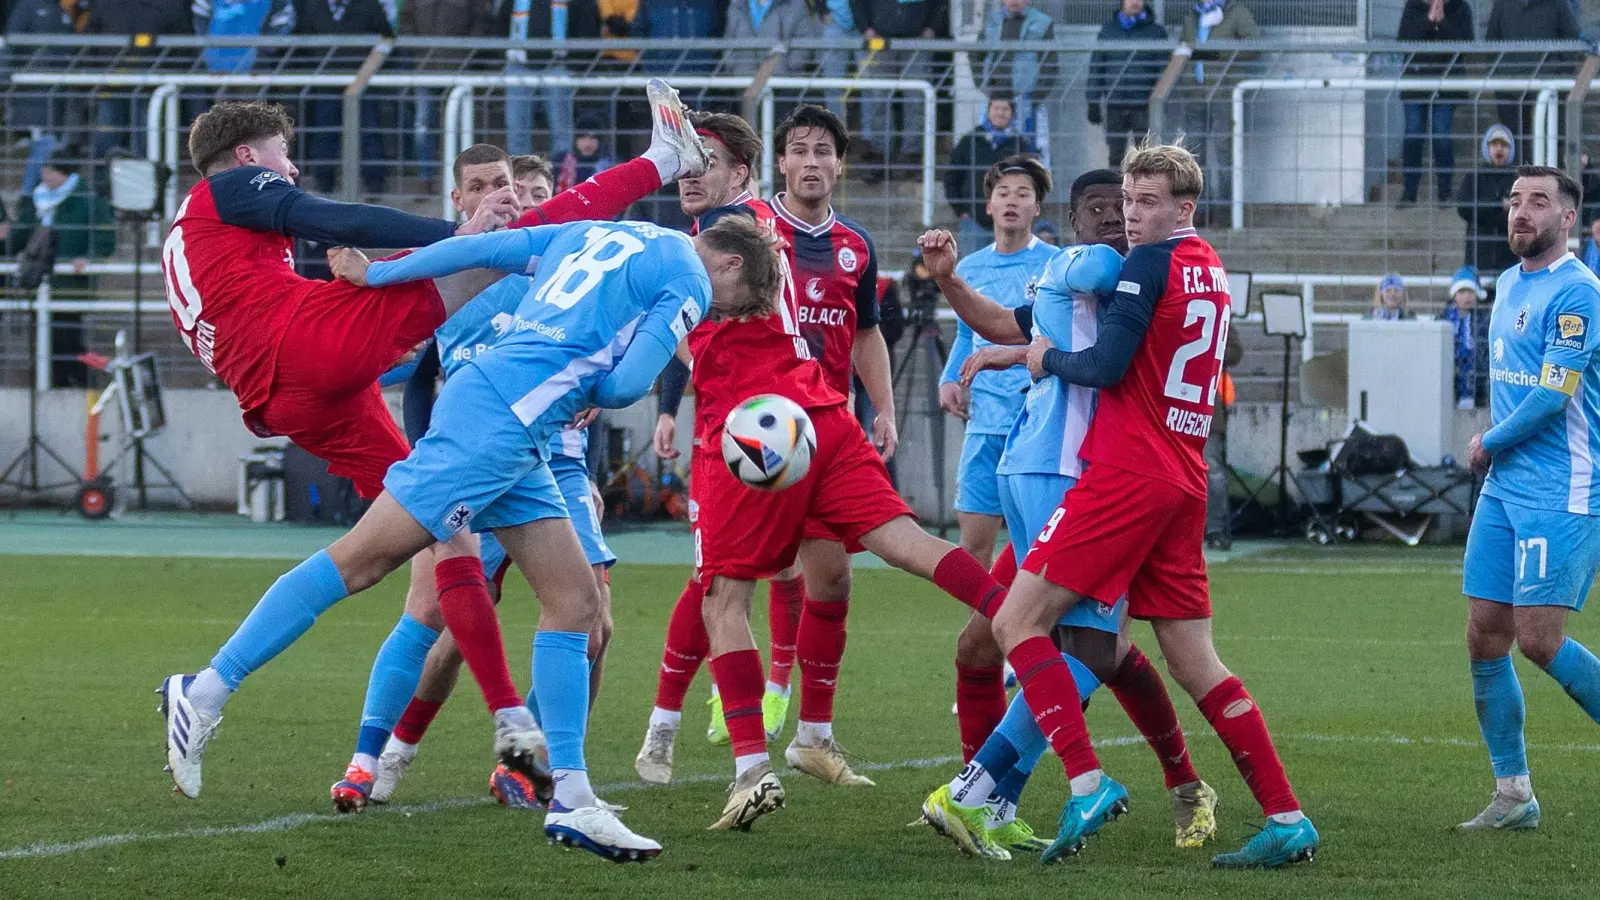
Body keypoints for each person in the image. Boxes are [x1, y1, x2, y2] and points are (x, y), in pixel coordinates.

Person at [160, 210, 764, 861]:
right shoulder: (690, 278)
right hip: (504, 421)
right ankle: (203, 690)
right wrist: (598, 361)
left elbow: (487, 247)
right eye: (733, 306)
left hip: (501, 405)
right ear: (728, 264)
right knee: (362, 561)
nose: (720, 317)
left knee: (575, 601)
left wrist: (381, 272)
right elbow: (621, 387)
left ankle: (572, 797)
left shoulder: (598, 230)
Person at [154, 85, 705, 799]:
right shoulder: (232, 188)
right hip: (305, 350)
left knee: (446, 547)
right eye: (282, 158)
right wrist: (457, 236)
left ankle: (508, 726)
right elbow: (325, 217)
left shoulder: (199, 235)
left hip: (290, 390)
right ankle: (661, 160)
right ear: (243, 157)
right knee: (514, 244)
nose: (289, 170)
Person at [918, 140, 1319, 868]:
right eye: (1125, 202)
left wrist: (1043, 360)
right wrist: (1022, 344)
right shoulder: (1211, 267)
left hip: (1127, 474)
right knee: (1194, 660)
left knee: (1016, 621)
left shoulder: (1145, 263)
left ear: (1184, 207)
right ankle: (1285, 816)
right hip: (1184, 476)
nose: (1132, 217)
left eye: (1146, 203)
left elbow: (1102, 367)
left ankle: (1079, 781)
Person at [321, 146, 616, 813]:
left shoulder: (553, 264)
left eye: (508, 186)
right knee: (435, 618)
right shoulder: (449, 270)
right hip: (470, 462)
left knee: (594, 618)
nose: (502, 197)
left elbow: (606, 346)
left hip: (553, 462)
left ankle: (533, 763)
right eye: (480, 186)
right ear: (459, 200)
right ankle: (377, 757)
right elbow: (394, 362)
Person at [641, 106, 896, 786]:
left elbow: (866, 331)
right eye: (799, 149)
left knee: (828, 578)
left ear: (839, 165)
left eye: (823, 151)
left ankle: (811, 735)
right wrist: (669, 408)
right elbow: (681, 326)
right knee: (723, 584)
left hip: (815, 426)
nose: (811, 161)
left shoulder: (851, 246)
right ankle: (666, 726)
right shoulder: (737, 233)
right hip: (743, 434)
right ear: (778, 165)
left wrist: (884, 408)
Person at [639, 111, 810, 774]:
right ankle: (788, 712)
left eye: (703, 159)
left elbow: (684, 331)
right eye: (683, 159)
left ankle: (706, 732)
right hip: (787, 414)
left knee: (721, 585)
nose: (688, 172)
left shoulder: (725, 235)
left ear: (741, 173)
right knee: (797, 570)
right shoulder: (737, 231)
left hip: (747, 426)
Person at [1461, 165, 1600, 832]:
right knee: (1485, 634)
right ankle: (1514, 795)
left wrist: (1488, 440)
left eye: (1538, 202)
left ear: (1567, 218)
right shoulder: (1509, 282)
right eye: (1515, 200)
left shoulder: (1580, 293)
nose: (1521, 212)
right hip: (1506, 490)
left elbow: (1552, 394)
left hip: (1561, 488)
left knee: (1540, 641)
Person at [937, 156, 1058, 573]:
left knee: (1039, 550)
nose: (1012, 202)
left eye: (1023, 194)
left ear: (1036, 207)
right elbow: (967, 336)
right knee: (972, 549)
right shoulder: (967, 268)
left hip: (1037, 425)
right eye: (1003, 193)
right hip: (985, 424)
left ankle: (1033, 632)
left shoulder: (1055, 266)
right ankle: (986, 634)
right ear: (988, 205)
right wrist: (950, 379)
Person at [9, 149, 117, 388]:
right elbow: (18, 236)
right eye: (44, 167)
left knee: (67, 335)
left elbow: (105, 239)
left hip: (70, 285)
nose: (44, 172)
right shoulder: (34, 200)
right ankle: (59, 380)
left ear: (65, 173)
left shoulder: (87, 199)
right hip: (38, 282)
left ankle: (80, 379)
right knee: (44, 336)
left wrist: (88, 258)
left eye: (51, 168)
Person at [291, 0, 393, 196]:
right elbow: (302, 39)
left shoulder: (369, 5)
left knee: (369, 131)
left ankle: (374, 183)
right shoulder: (313, 6)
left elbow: (386, 36)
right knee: (325, 132)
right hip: (325, 81)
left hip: (363, 81)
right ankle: (324, 182)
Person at [1174, 0, 1261, 224]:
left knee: (1224, 152)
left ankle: (1225, 211)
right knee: (1193, 155)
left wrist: (1214, 53)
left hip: (1223, 94)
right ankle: (1199, 211)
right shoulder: (1192, 16)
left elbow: (1254, 46)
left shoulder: (1237, 12)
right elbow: (1183, 49)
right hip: (1194, 93)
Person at [1396, 0, 1474, 206]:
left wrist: (1443, 23)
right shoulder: (1413, 7)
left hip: (1446, 84)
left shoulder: (1460, 7)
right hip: (1416, 82)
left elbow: (1467, 43)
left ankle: (1445, 192)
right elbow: (1403, 40)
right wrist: (1428, 20)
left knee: (1441, 136)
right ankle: (1409, 191)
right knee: (1413, 134)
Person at [1484, 0, 1580, 163]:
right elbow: (1492, 41)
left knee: (1551, 141)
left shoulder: (1559, 4)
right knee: (1516, 144)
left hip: (1548, 85)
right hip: (1510, 87)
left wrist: (1559, 72)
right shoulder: (1502, 4)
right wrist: (1501, 72)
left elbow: (1572, 40)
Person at [852, 0, 940, 173]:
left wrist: (934, 27)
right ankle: (881, 155)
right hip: (880, 40)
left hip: (918, 40)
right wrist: (865, 27)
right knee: (879, 100)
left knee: (916, 100)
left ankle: (912, 156)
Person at [945, 96, 1033, 259]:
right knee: (972, 268)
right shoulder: (970, 141)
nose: (1000, 113)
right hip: (973, 219)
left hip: (1009, 219)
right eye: (996, 108)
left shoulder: (1019, 144)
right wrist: (961, 209)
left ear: (1012, 114)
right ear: (987, 112)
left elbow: (1031, 180)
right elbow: (952, 176)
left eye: (1005, 109)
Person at [1088, 0, 1168, 166]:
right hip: (1114, 103)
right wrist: (1092, 101)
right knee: (1116, 156)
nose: (1135, 2)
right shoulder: (1108, 31)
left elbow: (1163, 71)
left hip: (1145, 105)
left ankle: (1143, 191)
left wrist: (1160, 99)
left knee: (1146, 157)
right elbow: (1097, 67)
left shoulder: (1156, 32)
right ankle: (1116, 191)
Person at [978, 0, 1056, 161]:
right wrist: (982, 84)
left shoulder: (1042, 23)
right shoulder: (992, 21)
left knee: (1028, 150)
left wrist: (1037, 96)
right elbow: (975, 54)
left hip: (1026, 99)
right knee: (988, 147)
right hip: (996, 98)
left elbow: (1050, 63)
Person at [1459, 125, 1521, 276]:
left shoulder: (1518, 178)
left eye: (1504, 145)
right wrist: (1499, 205)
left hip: (1508, 255)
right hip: (1479, 254)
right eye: (1494, 144)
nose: (1499, 149)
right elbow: (1464, 207)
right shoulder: (1474, 177)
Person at [722, 0, 817, 76]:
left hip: (781, 82)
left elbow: (805, 39)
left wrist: (789, 67)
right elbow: (729, 39)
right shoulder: (737, 5)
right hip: (743, 78)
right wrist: (732, 66)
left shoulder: (796, 4)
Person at [1443, 265, 1486, 409]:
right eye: (1462, 291)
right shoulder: (1443, 318)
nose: (1466, 296)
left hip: (1478, 381)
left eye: (1470, 291)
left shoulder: (1484, 320)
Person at [553, 114, 617, 193]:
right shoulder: (561, 160)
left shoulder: (610, 163)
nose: (587, 143)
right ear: (575, 139)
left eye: (593, 138)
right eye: (582, 137)